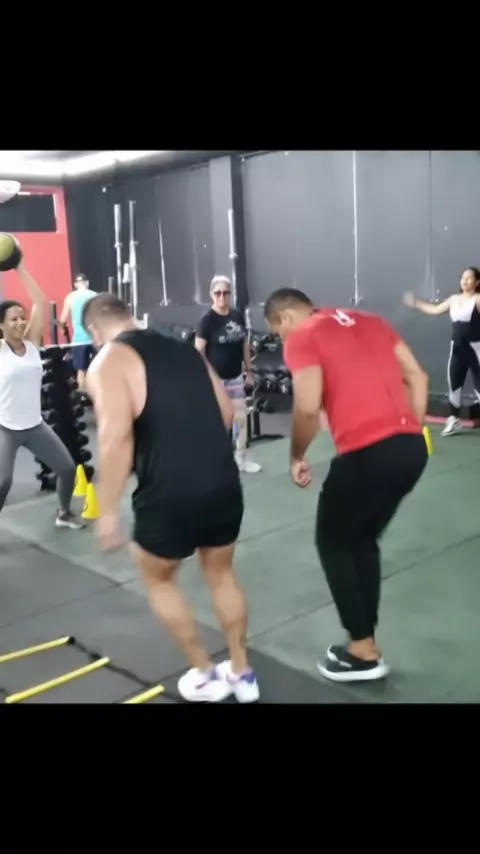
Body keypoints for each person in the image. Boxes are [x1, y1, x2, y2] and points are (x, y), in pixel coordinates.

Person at [83, 293, 260, 703]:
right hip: (222, 481)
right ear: (129, 314)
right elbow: (227, 412)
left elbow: (114, 437)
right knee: (222, 573)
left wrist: (107, 512)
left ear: (93, 329)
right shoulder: (185, 349)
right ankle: (242, 672)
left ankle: (205, 673)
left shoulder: (108, 360)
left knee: (159, 577)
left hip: (168, 490)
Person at [264, 288, 429, 683]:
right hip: (411, 449)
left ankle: (362, 650)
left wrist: (296, 456)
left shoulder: (302, 336)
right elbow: (418, 376)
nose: (281, 341)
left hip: (366, 452)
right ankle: (363, 640)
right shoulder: (370, 321)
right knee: (361, 539)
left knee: (334, 541)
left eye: (277, 332)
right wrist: (409, 431)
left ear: (285, 318)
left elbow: (307, 406)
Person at [0, 263, 85, 529]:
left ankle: (64, 513)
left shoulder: (32, 343)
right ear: (1, 325)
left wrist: (19, 267)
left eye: (22, 317)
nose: (20, 322)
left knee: (67, 469)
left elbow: (40, 301)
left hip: (35, 425)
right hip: (5, 427)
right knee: (3, 481)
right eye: (13, 319)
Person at [195, 275, 261, 474]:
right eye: (218, 293)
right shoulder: (207, 321)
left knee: (240, 418)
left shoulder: (237, 316)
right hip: (216, 380)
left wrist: (248, 372)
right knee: (218, 421)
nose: (222, 297)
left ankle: (241, 459)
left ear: (230, 294)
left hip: (235, 377)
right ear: (211, 295)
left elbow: (244, 344)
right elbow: (198, 352)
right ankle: (216, 462)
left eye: (225, 293)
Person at [404, 266, 480, 436]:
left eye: (469, 278)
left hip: (476, 351)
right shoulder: (454, 299)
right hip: (457, 351)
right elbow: (435, 310)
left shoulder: (477, 299)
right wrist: (416, 303)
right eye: (463, 278)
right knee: (454, 385)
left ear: (477, 282)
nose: (465, 281)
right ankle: (454, 420)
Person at [59, 273, 96, 399]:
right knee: (97, 367)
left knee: (81, 369)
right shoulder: (95, 296)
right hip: (95, 337)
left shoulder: (70, 297)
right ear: (87, 283)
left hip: (79, 338)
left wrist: (63, 330)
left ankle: (82, 397)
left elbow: (62, 320)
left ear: (75, 284)